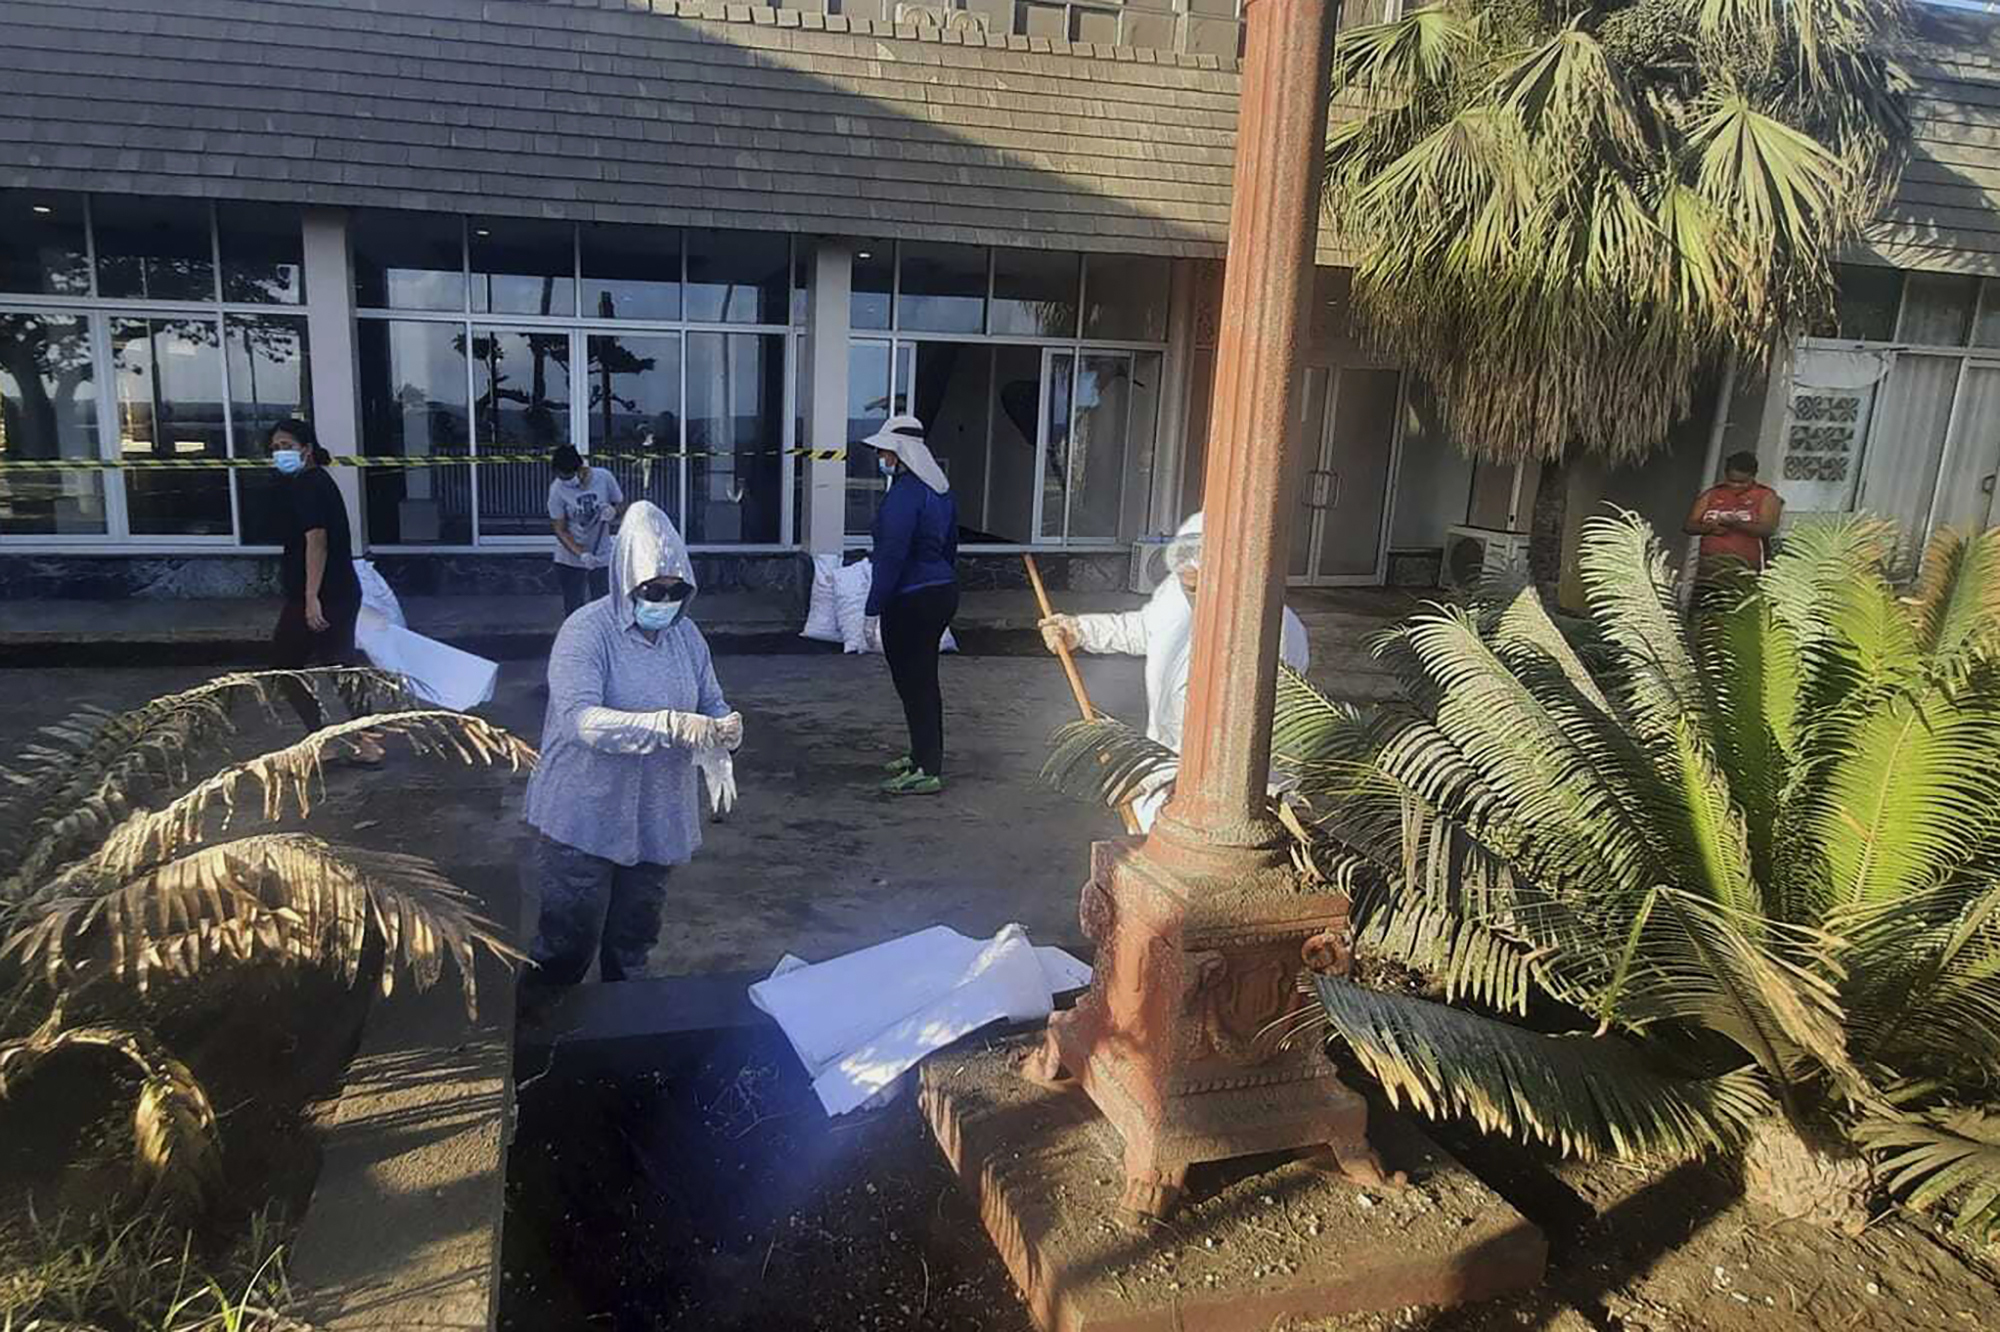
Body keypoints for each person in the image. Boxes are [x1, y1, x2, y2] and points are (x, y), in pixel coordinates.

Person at [522, 501, 742, 988]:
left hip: (657, 817)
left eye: (675, 591)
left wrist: (724, 728)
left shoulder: (685, 635)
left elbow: (710, 699)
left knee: (633, 945)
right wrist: (669, 725)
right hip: (586, 814)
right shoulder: (587, 632)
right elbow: (582, 722)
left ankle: (623, 1024)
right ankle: (542, 1027)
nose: (664, 601)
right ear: (626, 581)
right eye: (652, 591)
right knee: (566, 946)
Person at [1039, 512, 1309, 831]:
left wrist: (1149, 776)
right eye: (1186, 581)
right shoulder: (1179, 593)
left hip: (1240, 804)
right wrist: (1080, 631)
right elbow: (1147, 627)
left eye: (1199, 582)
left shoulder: (1272, 634)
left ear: (1238, 575)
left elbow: (1235, 744)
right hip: (1167, 777)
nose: (1190, 589)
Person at [266, 418, 382, 762]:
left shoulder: (309, 485)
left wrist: (311, 597)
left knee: (287, 666)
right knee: (339, 666)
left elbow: (317, 541)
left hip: (324, 594)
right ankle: (359, 743)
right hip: (337, 591)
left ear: (306, 449)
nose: (280, 453)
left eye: (287, 446)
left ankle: (328, 740)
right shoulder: (313, 482)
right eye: (275, 448)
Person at [863, 415, 959, 796]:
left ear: (900, 454)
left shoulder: (904, 495)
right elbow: (950, 545)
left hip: (910, 598)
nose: (881, 457)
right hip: (941, 591)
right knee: (923, 680)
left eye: (885, 451)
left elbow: (891, 555)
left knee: (913, 682)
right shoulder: (940, 489)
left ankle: (927, 767)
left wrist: (873, 607)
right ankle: (921, 754)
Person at [1684, 450, 1782, 601]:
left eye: (1742, 482)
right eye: (1731, 481)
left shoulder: (1765, 496)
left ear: (1753, 476)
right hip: (1709, 570)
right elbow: (1689, 526)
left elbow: (1768, 529)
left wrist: (1736, 524)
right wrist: (1709, 528)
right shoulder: (1712, 494)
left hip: (1745, 570)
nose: (1736, 486)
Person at [548, 444, 625, 620]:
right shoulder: (557, 490)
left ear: (580, 468)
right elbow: (560, 529)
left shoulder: (603, 477)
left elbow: (621, 504)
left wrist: (613, 511)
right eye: (560, 477)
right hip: (570, 559)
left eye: (568, 476)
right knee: (575, 610)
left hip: (602, 555)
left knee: (604, 607)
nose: (565, 481)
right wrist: (581, 554)